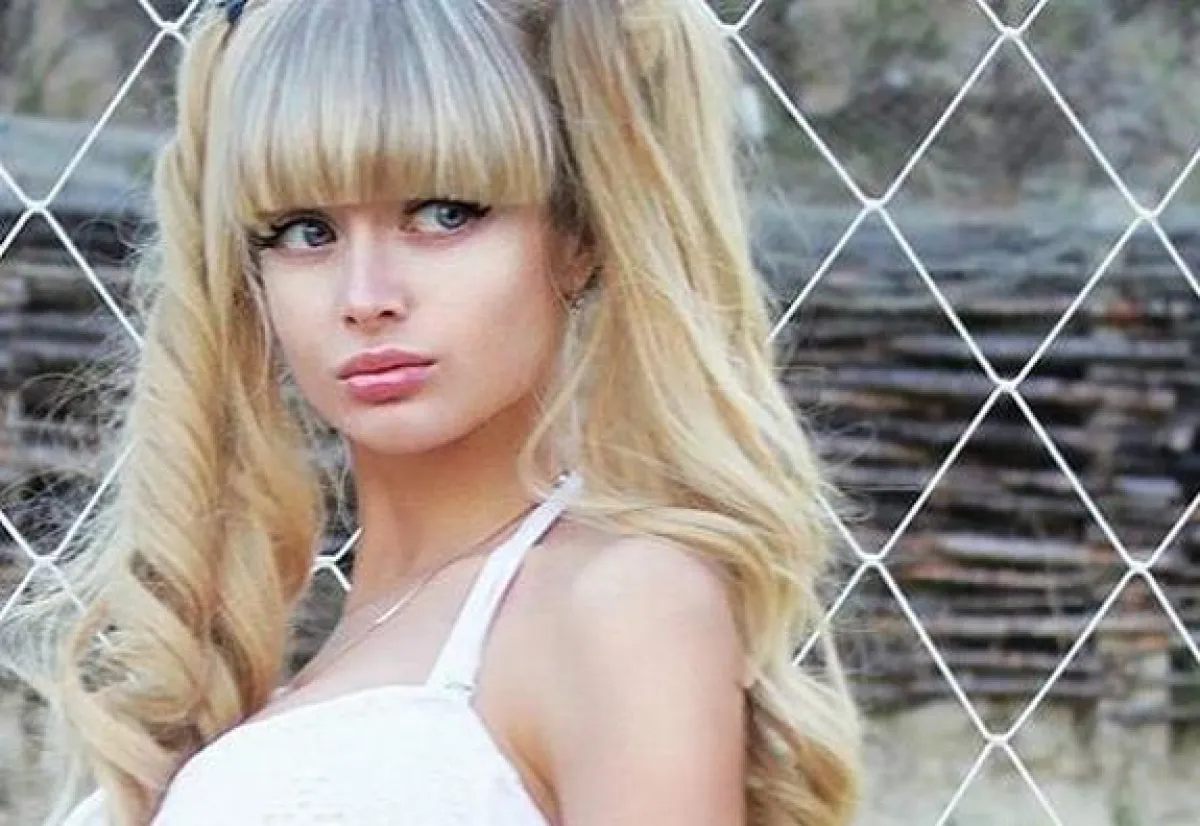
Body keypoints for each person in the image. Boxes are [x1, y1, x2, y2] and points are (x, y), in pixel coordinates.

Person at [5, 0, 862, 823]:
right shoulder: (293, 664)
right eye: (305, 231)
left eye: (443, 214)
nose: (365, 297)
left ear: (580, 236)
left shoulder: (619, 603)